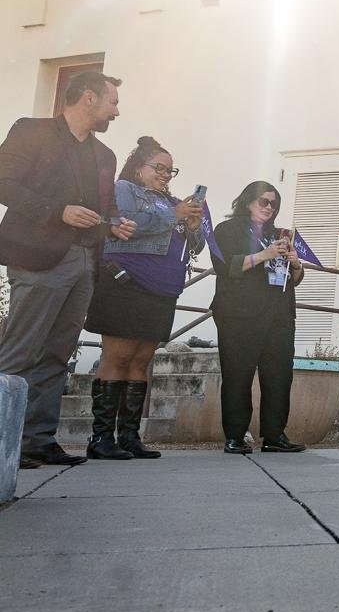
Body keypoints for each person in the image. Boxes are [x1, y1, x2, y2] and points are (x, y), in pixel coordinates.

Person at [0, 71, 133, 468]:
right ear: (88, 98)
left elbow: (101, 209)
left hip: (84, 262)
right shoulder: (31, 131)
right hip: (39, 258)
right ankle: (4, 443)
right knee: (20, 351)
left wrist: (114, 224)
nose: (117, 111)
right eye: (113, 101)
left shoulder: (104, 155)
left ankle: (37, 441)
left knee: (58, 355)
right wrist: (56, 211)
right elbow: (3, 182)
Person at [82, 136, 204, 459]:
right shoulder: (124, 189)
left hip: (161, 290)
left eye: (170, 170)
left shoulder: (172, 201)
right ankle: (101, 439)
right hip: (126, 284)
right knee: (117, 359)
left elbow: (194, 247)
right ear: (138, 168)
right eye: (159, 168)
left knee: (141, 362)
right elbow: (129, 225)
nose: (165, 174)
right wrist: (175, 213)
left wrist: (193, 225)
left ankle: (130, 437)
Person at [209, 181, 306, 454]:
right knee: (238, 374)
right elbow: (225, 266)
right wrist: (266, 254)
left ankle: (275, 435)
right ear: (247, 201)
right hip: (239, 314)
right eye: (263, 201)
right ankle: (235, 436)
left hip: (278, 314)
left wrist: (296, 262)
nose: (269, 208)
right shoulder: (227, 230)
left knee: (279, 375)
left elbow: (294, 279)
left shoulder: (281, 234)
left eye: (274, 204)